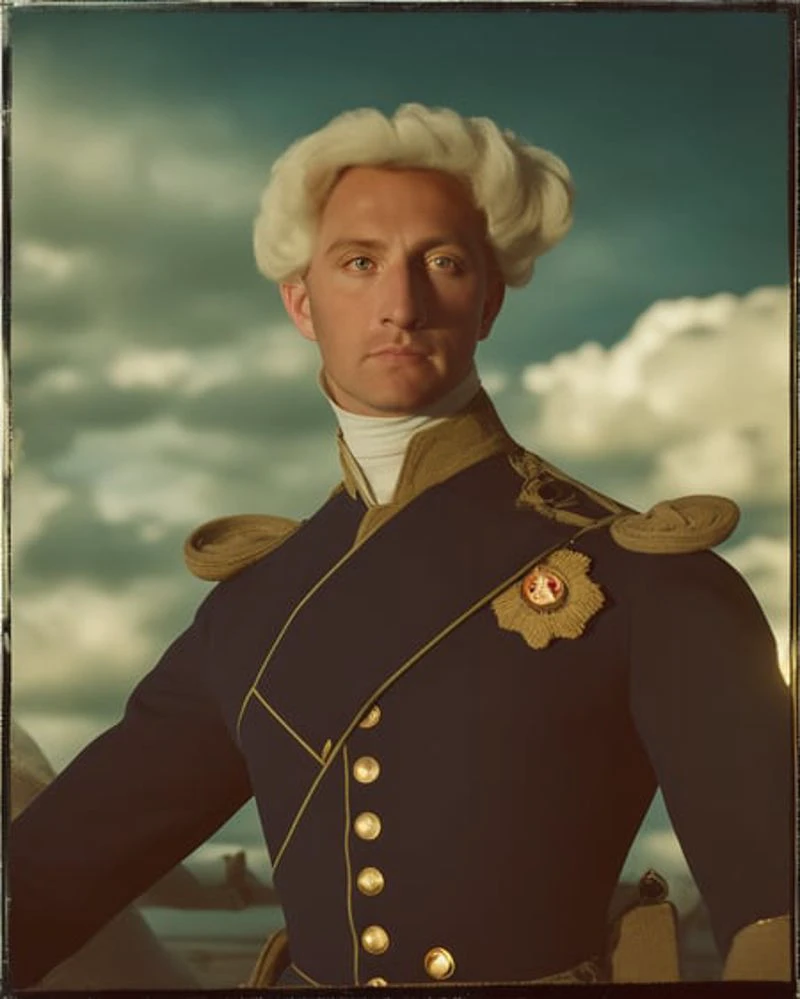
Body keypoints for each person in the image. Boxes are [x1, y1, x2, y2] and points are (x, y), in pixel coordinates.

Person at [10, 104, 791, 989]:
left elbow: (778, 927)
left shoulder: (648, 580)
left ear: (489, 299)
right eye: (360, 262)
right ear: (301, 303)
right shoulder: (252, 611)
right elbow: (44, 882)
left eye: (444, 263)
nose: (402, 304)